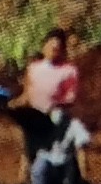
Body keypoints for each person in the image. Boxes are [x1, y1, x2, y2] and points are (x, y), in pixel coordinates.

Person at [19, 30, 81, 165]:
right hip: (34, 114)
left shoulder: (69, 70)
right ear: (44, 47)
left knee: (57, 117)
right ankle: (27, 168)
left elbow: (71, 98)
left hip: (55, 115)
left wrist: (53, 106)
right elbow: (26, 94)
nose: (54, 50)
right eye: (51, 46)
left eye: (57, 48)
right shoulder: (33, 68)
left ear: (62, 50)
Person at [24, 114, 94, 184]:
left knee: (69, 183)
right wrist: (26, 169)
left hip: (64, 166)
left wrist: (81, 177)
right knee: (39, 176)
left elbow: (81, 150)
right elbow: (30, 148)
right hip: (46, 162)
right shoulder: (41, 124)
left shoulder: (73, 125)